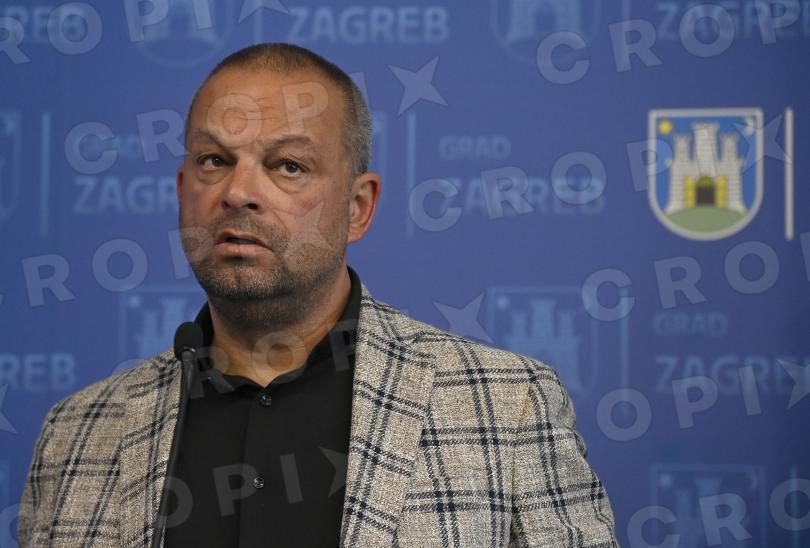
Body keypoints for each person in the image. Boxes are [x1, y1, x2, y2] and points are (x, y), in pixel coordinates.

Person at [17, 43, 618, 547]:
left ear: (358, 208)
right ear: (182, 189)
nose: (237, 192)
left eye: (288, 166)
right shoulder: (76, 432)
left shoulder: (509, 409)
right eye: (214, 160)